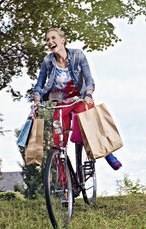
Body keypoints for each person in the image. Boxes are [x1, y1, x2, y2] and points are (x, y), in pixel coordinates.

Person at [32, 28, 121, 170]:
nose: (50, 42)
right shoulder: (47, 62)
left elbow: (89, 79)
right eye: (47, 40)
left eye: (53, 38)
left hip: (80, 99)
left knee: (91, 121)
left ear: (63, 40)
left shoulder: (78, 55)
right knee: (58, 143)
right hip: (61, 104)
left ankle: (107, 152)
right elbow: (38, 85)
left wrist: (88, 95)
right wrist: (36, 102)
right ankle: (64, 185)